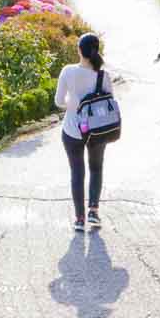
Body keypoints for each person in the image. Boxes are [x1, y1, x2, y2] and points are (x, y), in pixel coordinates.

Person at [55, 33, 113, 232]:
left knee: (77, 173)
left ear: (79, 50)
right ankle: (93, 212)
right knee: (96, 169)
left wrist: (72, 105)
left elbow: (58, 101)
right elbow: (109, 103)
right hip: (97, 130)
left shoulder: (68, 71)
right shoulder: (103, 76)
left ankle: (79, 218)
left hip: (72, 130)